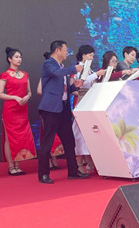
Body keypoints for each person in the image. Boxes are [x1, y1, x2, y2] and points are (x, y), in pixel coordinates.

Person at [37, 40, 88, 184]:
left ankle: (73, 171)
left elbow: (65, 87)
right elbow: (56, 73)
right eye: (65, 50)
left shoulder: (62, 67)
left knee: (69, 141)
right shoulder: (48, 64)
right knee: (47, 142)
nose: (67, 53)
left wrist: (75, 86)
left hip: (63, 108)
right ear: (57, 50)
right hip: (51, 109)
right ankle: (43, 174)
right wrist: (74, 69)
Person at [0, 47, 36, 176]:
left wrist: (27, 97)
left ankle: (18, 165)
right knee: (9, 138)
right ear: (10, 59)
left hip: (22, 109)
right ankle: (11, 166)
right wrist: (15, 97)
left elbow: (29, 92)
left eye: (20, 57)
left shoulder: (25, 74)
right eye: (16, 57)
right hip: (10, 110)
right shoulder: (5, 75)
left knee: (20, 137)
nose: (19, 59)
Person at [72, 45, 106, 174]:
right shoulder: (79, 67)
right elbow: (82, 83)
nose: (92, 57)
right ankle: (79, 162)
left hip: (90, 100)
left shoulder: (89, 69)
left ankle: (89, 161)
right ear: (83, 55)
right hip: (82, 100)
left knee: (89, 132)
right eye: (90, 55)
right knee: (80, 132)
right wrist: (96, 74)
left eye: (92, 55)